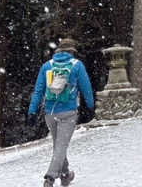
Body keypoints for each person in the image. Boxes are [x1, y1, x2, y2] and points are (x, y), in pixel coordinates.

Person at [27, 37, 95, 187]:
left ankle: (65, 175)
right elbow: (86, 88)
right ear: (72, 52)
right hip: (68, 112)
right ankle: (50, 177)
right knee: (61, 146)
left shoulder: (47, 66)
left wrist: (32, 111)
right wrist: (90, 106)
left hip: (49, 114)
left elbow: (38, 91)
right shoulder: (77, 65)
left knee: (59, 145)